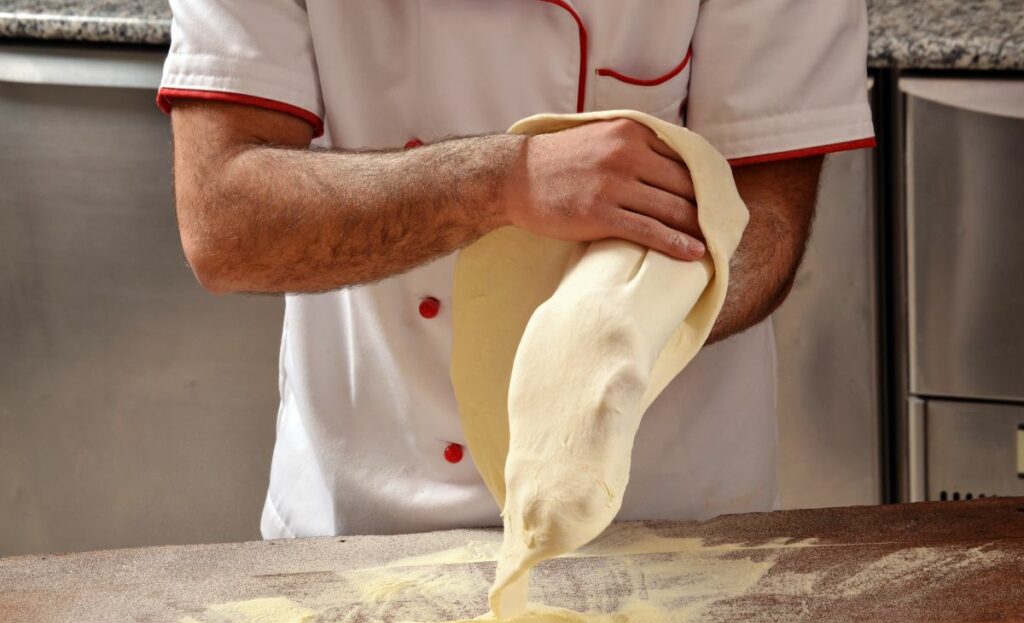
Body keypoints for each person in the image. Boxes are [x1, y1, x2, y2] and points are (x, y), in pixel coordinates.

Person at [158, 1, 875, 539]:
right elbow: (225, 222)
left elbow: (767, 219)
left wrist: (615, 328)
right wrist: (504, 182)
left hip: (666, 515)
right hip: (365, 512)